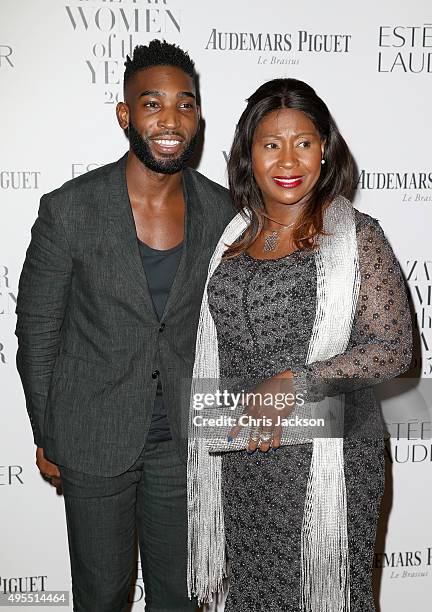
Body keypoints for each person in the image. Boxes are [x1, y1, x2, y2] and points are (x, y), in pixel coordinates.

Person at [15, 40, 234, 611]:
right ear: (125, 115)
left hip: (185, 444)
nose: (170, 119)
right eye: (152, 103)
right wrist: (48, 429)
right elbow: (37, 332)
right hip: (93, 437)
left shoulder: (223, 213)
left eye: (185, 105)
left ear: (199, 117)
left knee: (181, 597)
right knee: (103, 595)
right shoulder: (69, 210)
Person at [187, 78, 413, 611]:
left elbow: (393, 346)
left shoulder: (355, 235)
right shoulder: (233, 238)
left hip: (326, 464)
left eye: (304, 143)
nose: (289, 160)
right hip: (242, 462)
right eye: (271, 144)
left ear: (325, 149)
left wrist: (295, 382)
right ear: (249, 154)